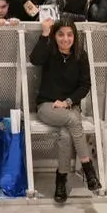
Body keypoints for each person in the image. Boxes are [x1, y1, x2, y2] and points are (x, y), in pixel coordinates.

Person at [30, 17, 101, 201]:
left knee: (66, 134)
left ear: (75, 37)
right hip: (47, 106)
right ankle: (88, 168)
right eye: (60, 34)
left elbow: (85, 86)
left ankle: (61, 181)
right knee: (72, 120)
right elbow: (35, 59)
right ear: (55, 36)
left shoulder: (80, 55)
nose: (65, 39)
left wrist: (68, 101)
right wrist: (45, 34)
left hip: (70, 106)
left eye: (70, 35)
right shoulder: (49, 51)